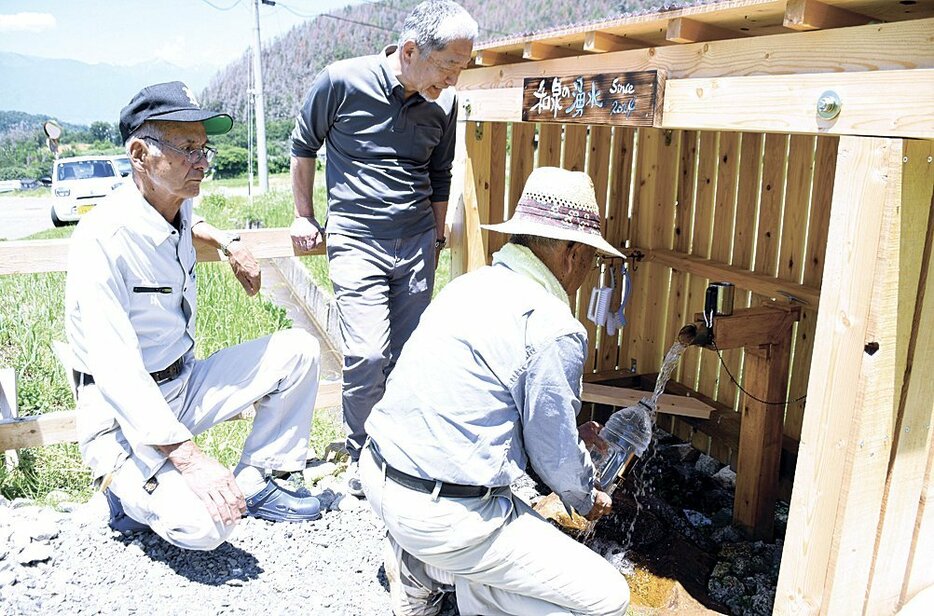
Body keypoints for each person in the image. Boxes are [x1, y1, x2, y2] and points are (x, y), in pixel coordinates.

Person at [65, 81, 324, 552]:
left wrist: (229, 244)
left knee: (299, 350)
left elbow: (191, 223)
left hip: (182, 385)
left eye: (204, 148)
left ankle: (260, 478)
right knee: (207, 528)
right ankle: (126, 492)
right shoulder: (102, 240)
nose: (203, 161)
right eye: (187, 148)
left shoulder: (176, 203)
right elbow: (118, 376)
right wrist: (192, 460)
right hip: (122, 414)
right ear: (140, 153)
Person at [360, 167, 631, 616]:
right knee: (608, 599)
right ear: (570, 252)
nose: (588, 271)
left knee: (501, 545)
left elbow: (479, 405)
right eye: (591, 258)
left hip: (379, 474)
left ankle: (422, 568)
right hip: (445, 518)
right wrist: (587, 496)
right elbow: (555, 460)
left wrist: (564, 432)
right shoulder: (554, 326)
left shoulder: (470, 285)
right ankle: (443, 572)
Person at [289, 0, 478, 495]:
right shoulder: (341, 81)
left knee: (413, 355)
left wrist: (437, 237)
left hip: (417, 240)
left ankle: (403, 449)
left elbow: (440, 173)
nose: (454, 79)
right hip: (356, 239)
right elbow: (304, 145)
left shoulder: (445, 103)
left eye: (462, 67)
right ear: (412, 50)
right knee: (369, 355)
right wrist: (303, 214)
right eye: (448, 66)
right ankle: (362, 452)